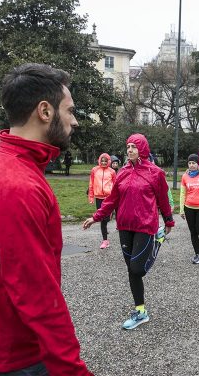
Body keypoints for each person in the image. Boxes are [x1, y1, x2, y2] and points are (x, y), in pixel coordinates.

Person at [0, 63, 92, 374]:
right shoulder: (16, 185)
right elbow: (36, 293)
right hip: (14, 359)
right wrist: (73, 370)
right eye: (69, 110)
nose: (74, 120)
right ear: (45, 111)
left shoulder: (5, 167)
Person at [83, 133, 174, 330]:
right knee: (132, 272)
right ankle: (140, 312)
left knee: (137, 269)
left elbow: (163, 199)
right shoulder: (122, 173)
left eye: (134, 146)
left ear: (142, 148)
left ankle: (157, 242)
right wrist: (96, 217)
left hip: (145, 226)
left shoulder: (155, 173)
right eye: (128, 146)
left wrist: (168, 219)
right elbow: (111, 200)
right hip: (124, 226)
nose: (130, 149)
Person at [88, 153, 116, 249]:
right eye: (102, 160)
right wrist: (91, 196)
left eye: (105, 161)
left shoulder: (112, 171)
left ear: (109, 161)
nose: (103, 162)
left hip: (109, 198)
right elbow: (91, 184)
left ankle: (110, 213)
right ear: (99, 160)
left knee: (106, 218)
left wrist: (115, 197)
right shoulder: (94, 170)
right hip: (98, 197)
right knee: (102, 220)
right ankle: (105, 240)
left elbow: (115, 185)